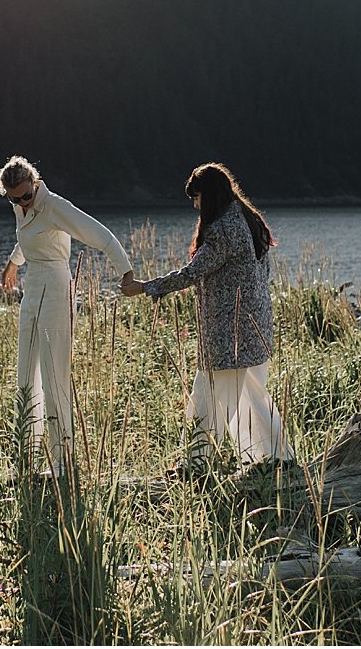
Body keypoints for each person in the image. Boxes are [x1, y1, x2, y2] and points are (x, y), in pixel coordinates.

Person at [121, 162, 295, 475]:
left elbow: (192, 273)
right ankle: (275, 459)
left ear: (210, 195)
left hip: (228, 331)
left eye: (197, 197)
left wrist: (146, 287)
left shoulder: (223, 229)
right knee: (253, 394)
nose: (195, 205)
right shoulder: (249, 219)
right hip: (255, 323)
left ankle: (195, 465)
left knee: (208, 395)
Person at [0, 155, 138, 478]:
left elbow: (100, 235)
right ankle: (26, 458)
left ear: (35, 183)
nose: (22, 203)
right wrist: (12, 264)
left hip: (56, 287)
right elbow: (28, 238)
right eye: (14, 199)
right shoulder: (21, 206)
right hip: (32, 286)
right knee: (25, 373)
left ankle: (62, 462)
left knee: (53, 373)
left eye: (26, 196)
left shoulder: (55, 206)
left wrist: (126, 272)